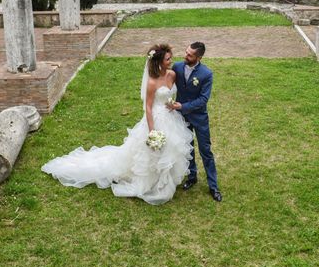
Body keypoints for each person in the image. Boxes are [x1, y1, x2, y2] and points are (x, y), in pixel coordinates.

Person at [42, 44, 194, 205]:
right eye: (168, 59)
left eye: (170, 58)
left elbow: (172, 93)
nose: (171, 61)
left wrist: (173, 104)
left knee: (170, 149)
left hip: (171, 117)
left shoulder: (172, 74)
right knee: (153, 152)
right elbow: (148, 108)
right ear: (158, 62)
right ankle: (154, 183)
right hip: (155, 119)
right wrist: (152, 131)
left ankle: (166, 180)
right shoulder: (151, 82)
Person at [168, 42, 222, 202]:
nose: (186, 56)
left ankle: (213, 186)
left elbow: (203, 99)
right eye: (186, 52)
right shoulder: (177, 67)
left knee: (206, 151)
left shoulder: (206, 74)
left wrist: (183, 106)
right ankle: (192, 176)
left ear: (199, 57)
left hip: (199, 118)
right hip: (181, 118)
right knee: (187, 148)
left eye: (190, 55)